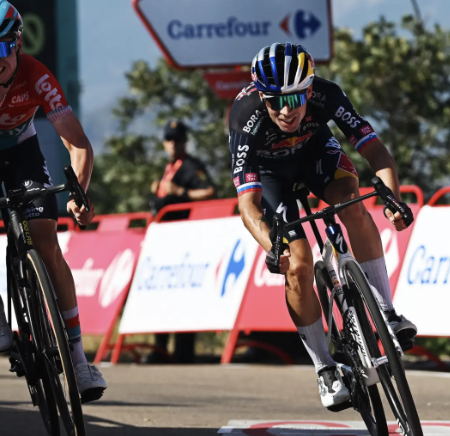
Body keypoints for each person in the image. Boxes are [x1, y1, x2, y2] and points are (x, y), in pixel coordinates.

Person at [228, 42, 417, 409]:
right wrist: (273, 245)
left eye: (295, 100)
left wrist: (392, 198)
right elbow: (247, 205)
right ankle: (325, 370)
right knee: (297, 265)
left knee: (353, 204)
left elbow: (376, 153)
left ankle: (387, 312)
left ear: (310, 91)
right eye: (274, 101)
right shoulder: (244, 115)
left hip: (317, 156)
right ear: (261, 97)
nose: (285, 111)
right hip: (271, 179)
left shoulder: (328, 95)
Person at [0, 1, 106, 403]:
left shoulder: (36, 75)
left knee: (46, 243)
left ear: (17, 45)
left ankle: (78, 360)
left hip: (22, 150)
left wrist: (79, 192)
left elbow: (77, 144)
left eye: (0, 50)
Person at [148, 120, 215, 363]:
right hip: (163, 242)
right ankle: (160, 348)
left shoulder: (190, 166)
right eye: (169, 139)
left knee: (183, 295)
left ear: (185, 141)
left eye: (177, 139)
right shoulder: (167, 167)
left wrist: (180, 193)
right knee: (161, 295)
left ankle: (184, 350)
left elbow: (209, 191)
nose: (173, 144)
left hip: (183, 242)